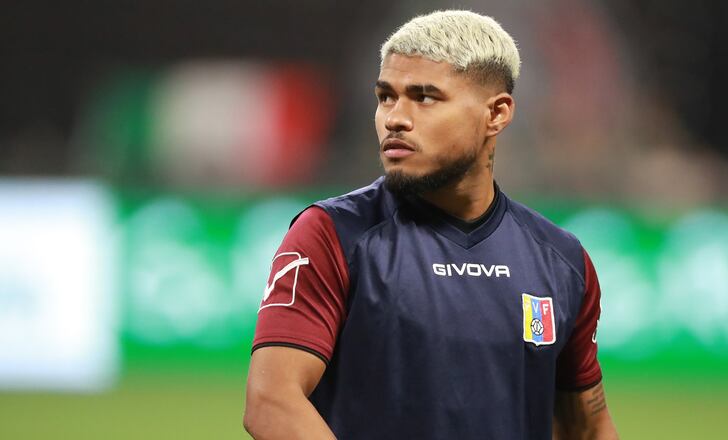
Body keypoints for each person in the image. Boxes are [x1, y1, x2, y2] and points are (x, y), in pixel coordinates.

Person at [244, 10, 618, 440]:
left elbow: (586, 428)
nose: (395, 118)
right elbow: (272, 401)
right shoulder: (332, 235)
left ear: (496, 114)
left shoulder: (561, 261)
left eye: (425, 98)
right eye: (386, 96)